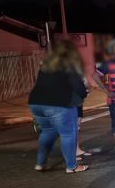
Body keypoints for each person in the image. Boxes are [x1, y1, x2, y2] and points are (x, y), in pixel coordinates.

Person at [28, 40, 89, 173]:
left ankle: (40, 163)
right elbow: (78, 86)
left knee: (48, 132)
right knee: (68, 135)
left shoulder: (46, 65)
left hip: (36, 104)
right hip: (58, 105)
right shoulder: (69, 65)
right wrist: (84, 94)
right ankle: (72, 166)